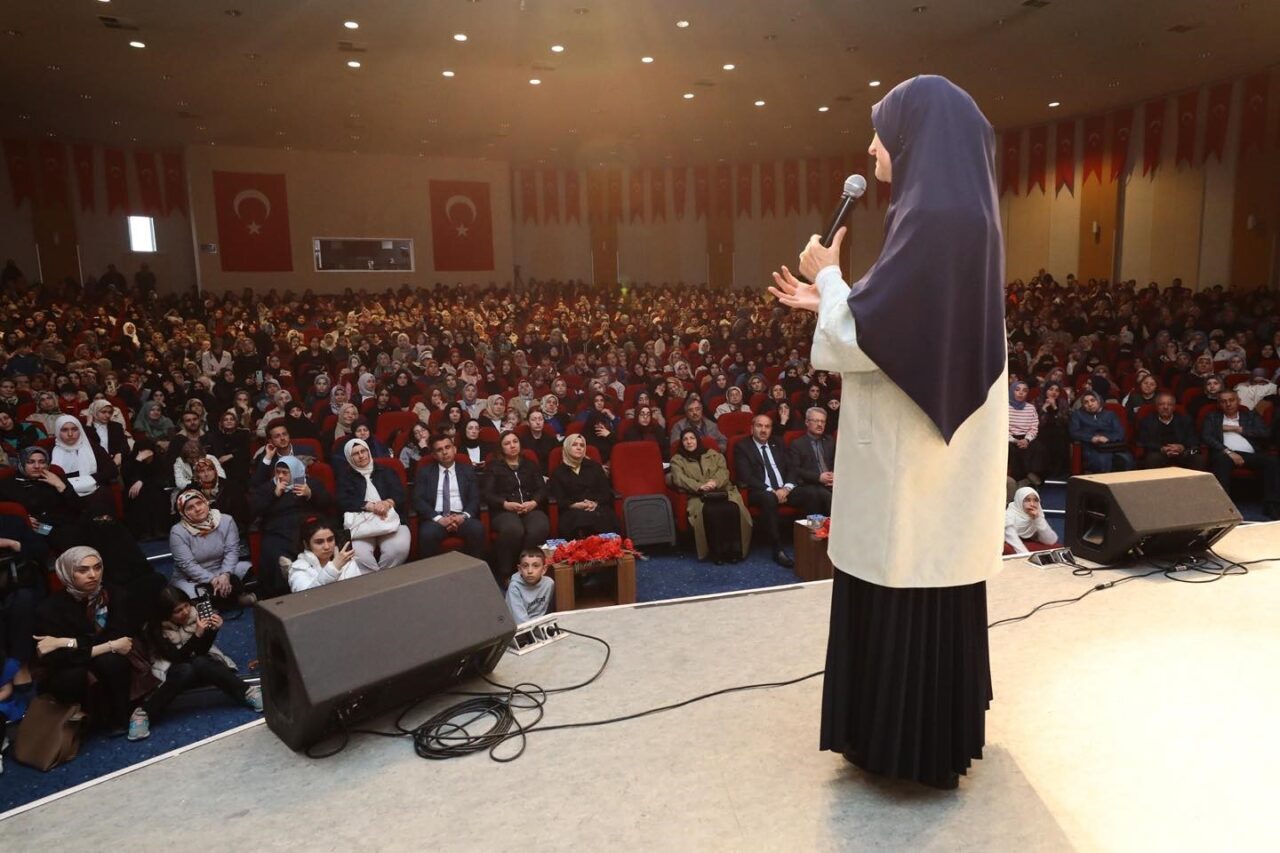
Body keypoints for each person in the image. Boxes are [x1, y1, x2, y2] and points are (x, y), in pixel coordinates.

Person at [770, 75, 1006, 789]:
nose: (871, 145)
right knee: (932, 570)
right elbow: (892, 316)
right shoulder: (961, 212)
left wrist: (833, 275)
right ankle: (929, 734)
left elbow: (867, 341)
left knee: (906, 566)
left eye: (882, 129)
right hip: (941, 450)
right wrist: (832, 296)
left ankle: (899, 746)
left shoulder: (931, 216)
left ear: (914, 137)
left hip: (911, 452)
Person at [129, 587, 262, 741]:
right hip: (173, 671)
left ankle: (247, 693)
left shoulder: (196, 614)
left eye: (186, 606)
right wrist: (197, 634)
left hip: (201, 664)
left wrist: (212, 631)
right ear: (166, 614)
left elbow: (202, 651)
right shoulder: (156, 629)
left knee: (200, 662)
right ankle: (143, 713)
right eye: (178, 611)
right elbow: (176, 657)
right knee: (186, 669)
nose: (185, 612)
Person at [33, 547, 135, 734]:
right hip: (68, 668)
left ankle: (118, 718)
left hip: (105, 659)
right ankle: (83, 725)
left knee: (111, 662)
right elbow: (58, 657)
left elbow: (121, 637)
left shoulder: (114, 594)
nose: (93, 575)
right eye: (83, 570)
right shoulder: (50, 609)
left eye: (97, 568)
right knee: (73, 674)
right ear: (66, 573)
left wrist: (65, 642)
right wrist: (107, 646)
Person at [734, 414, 818, 568]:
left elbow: (792, 468)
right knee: (769, 499)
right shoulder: (742, 446)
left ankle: (810, 540)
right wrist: (772, 491)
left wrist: (786, 488)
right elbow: (746, 476)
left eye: (767, 426)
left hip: (784, 489)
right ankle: (777, 549)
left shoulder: (778, 443)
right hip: (760, 491)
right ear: (751, 428)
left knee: (812, 493)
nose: (763, 430)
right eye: (759, 426)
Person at [250, 456, 331, 597]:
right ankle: (284, 593)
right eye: (278, 472)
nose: (280, 476)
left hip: (306, 526)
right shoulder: (269, 487)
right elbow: (252, 511)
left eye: (285, 473)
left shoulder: (308, 483)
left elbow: (328, 503)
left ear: (295, 472)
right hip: (277, 529)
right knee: (273, 552)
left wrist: (310, 494)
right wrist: (274, 495)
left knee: (317, 540)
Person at [669, 427, 751, 564]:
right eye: (685, 439)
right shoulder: (677, 460)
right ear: (682, 443)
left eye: (692, 438)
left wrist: (715, 483)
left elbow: (724, 472)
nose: (689, 442)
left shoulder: (714, 454)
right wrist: (699, 486)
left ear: (698, 440)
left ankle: (735, 551)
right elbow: (679, 478)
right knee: (710, 511)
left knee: (732, 507)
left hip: (722, 491)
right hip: (697, 496)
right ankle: (717, 552)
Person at [169, 490, 254, 610]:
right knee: (187, 594)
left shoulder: (226, 520)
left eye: (199, 503)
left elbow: (232, 551)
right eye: (190, 508)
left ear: (206, 502)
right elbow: (187, 565)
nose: (197, 509)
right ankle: (232, 601)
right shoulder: (177, 532)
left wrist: (225, 574)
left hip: (222, 569)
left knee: (249, 568)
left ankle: (221, 602)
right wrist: (212, 579)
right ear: (183, 513)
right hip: (191, 577)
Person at [484, 432, 550, 584]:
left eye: (515, 441)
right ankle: (506, 573)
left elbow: (542, 489)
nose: (512, 445)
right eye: (507, 443)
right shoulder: (494, 467)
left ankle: (527, 568)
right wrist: (505, 504)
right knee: (513, 529)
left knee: (540, 526)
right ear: (501, 448)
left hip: (530, 507)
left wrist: (534, 502)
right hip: (505, 510)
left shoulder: (530, 464)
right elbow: (487, 493)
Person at [1201, 389, 1280, 517]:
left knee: (1272, 461)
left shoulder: (1250, 415)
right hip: (1224, 454)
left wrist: (1238, 429)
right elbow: (1207, 437)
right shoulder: (1213, 417)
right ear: (1219, 404)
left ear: (1238, 401)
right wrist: (1228, 452)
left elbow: (1265, 433)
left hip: (1250, 454)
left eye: (1231, 400)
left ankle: (1272, 505)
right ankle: (1223, 507)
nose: (1228, 404)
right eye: (1223, 401)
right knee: (1221, 460)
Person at [336, 438, 411, 572]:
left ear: (368, 451)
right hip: (360, 523)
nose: (361, 456)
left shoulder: (386, 471)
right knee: (359, 556)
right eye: (355, 454)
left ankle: (383, 579)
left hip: (389, 518)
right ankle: (373, 583)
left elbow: (401, 494)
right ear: (349, 457)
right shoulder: (345, 477)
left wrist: (387, 503)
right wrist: (368, 505)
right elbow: (342, 501)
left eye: (363, 451)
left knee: (398, 548)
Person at [413, 433, 486, 562]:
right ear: (434, 455)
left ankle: (473, 573)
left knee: (477, 529)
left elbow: (475, 498)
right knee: (427, 534)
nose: (445, 452)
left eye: (447, 447)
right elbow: (418, 500)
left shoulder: (467, 471)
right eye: (439, 450)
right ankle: (432, 577)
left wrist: (462, 517)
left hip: (462, 517)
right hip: (436, 519)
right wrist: (439, 518)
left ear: (454, 449)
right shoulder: (425, 472)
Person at [549, 434, 619, 539]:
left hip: (596, 507)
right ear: (567, 447)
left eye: (582, 445)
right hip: (572, 510)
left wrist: (595, 503)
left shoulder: (594, 467)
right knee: (580, 519)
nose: (579, 448)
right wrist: (575, 505)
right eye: (575, 445)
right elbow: (559, 498)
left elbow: (605, 491)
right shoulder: (558, 472)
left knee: (606, 517)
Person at [51, 414, 118, 518]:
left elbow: (112, 470)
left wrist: (88, 480)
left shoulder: (93, 448)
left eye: (74, 429)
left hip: (94, 490)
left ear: (80, 430)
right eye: (64, 430)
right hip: (64, 494)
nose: (70, 434)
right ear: (57, 431)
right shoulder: (49, 451)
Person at [289, 518, 362, 592]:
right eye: (319, 542)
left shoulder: (347, 561)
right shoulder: (299, 568)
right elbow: (305, 598)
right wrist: (334, 567)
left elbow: (359, 591)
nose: (327, 547)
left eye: (330, 540)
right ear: (306, 544)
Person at [1069, 391, 1134, 474]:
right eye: (1086, 402)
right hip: (1092, 447)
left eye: (1093, 400)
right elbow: (1074, 432)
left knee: (1127, 459)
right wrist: (1091, 438)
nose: (1090, 404)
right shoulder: (1078, 415)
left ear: (1098, 401)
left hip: (1112, 446)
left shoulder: (1110, 414)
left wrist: (1107, 438)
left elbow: (1120, 432)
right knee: (1102, 461)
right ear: (1083, 405)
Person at [1137, 392, 1205, 470]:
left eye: (1169, 404)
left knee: (1198, 459)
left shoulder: (1185, 420)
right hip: (1159, 453)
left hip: (1181, 453)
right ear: (1156, 406)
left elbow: (1193, 439)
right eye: (1161, 404)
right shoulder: (1147, 421)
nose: (1165, 407)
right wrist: (1162, 449)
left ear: (1174, 407)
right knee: (1152, 459)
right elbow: (1144, 441)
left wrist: (1182, 447)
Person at [788, 407, 836, 515]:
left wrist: (834, 475)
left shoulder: (830, 441)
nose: (820, 424)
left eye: (822, 421)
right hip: (809, 485)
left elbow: (836, 463)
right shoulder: (797, 444)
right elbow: (795, 470)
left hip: (830, 483)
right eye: (816, 421)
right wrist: (818, 477)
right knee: (824, 495)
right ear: (807, 422)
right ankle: (832, 529)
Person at [1007, 380, 1047, 486]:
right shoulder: (1004, 407)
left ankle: (1032, 476)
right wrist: (1015, 440)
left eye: (1024, 391)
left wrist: (1027, 439)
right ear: (1011, 391)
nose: (1021, 393)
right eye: (1017, 390)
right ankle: (1020, 479)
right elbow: (1002, 429)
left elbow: (1034, 427)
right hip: (1009, 438)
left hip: (1026, 437)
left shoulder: (1030, 408)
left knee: (1039, 448)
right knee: (1012, 451)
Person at [1003, 487, 1058, 554]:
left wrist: (1037, 518)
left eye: (1035, 500)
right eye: (1027, 500)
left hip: (1027, 547)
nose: (1032, 504)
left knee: (1057, 548)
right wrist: (1028, 558)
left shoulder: (1037, 513)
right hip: (1013, 547)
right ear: (1019, 501)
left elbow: (1050, 541)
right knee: (1007, 549)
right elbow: (1014, 542)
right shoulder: (1009, 515)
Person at [505, 549, 554, 625]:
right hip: (521, 629)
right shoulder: (514, 587)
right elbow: (520, 622)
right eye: (525, 566)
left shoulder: (549, 583)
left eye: (535, 566)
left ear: (544, 569)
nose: (530, 571)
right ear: (520, 569)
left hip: (540, 625)